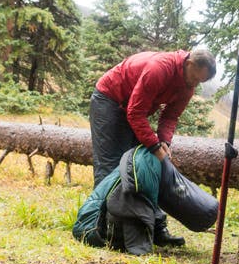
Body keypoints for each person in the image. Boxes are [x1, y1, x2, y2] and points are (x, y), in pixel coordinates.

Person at [89, 49, 217, 246]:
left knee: (145, 171)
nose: (194, 84)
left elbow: (170, 116)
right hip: (110, 101)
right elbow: (135, 112)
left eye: (199, 82)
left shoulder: (187, 86)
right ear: (189, 62)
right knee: (111, 166)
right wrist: (154, 145)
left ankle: (155, 230)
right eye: (194, 78)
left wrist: (164, 142)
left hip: (134, 110)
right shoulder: (160, 68)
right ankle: (101, 230)